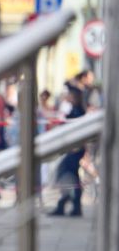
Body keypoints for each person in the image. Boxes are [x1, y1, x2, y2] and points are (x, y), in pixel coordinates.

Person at [50, 70, 93, 217]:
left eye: (69, 94)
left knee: (65, 173)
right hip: (73, 148)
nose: (67, 96)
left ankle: (67, 204)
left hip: (76, 148)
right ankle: (71, 206)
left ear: (74, 96)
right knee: (70, 175)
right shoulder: (74, 109)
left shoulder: (79, 110)